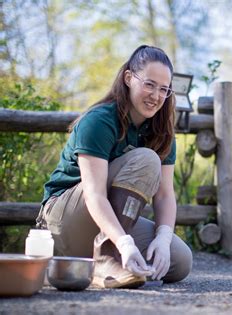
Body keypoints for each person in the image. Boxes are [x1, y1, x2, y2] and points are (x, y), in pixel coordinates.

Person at [36, 45, 192, 289]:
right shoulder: (99, 121)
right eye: (149, 84)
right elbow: (94, 194)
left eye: (164, 89)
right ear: (129, 78)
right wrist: (124, 243)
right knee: (147, 159)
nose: (156, 95)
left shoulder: (161, 132)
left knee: (180, 261)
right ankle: (107, 257)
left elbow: (164, 195)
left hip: (106, 225)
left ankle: (106, 260)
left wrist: (162, 239)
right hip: (64, 222)